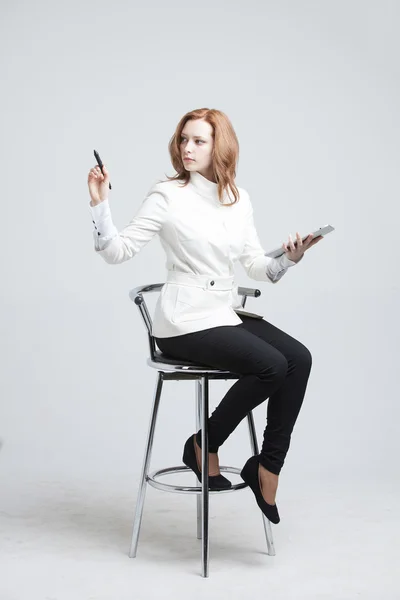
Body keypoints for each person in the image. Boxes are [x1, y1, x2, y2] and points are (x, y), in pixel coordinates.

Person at [87, 108, 323, 525]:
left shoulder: (237, 199)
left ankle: (267, 467)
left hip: (221, 313)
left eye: (199, 141)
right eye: (184, 140)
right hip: (182, 322)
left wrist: (291, 257)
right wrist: (100, 204)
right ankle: (204, 444)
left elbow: (255, 267)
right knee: (271, 365)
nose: (188, 148)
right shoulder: (167, 194)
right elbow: (115, 251)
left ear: (220, 147)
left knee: (299, 359)